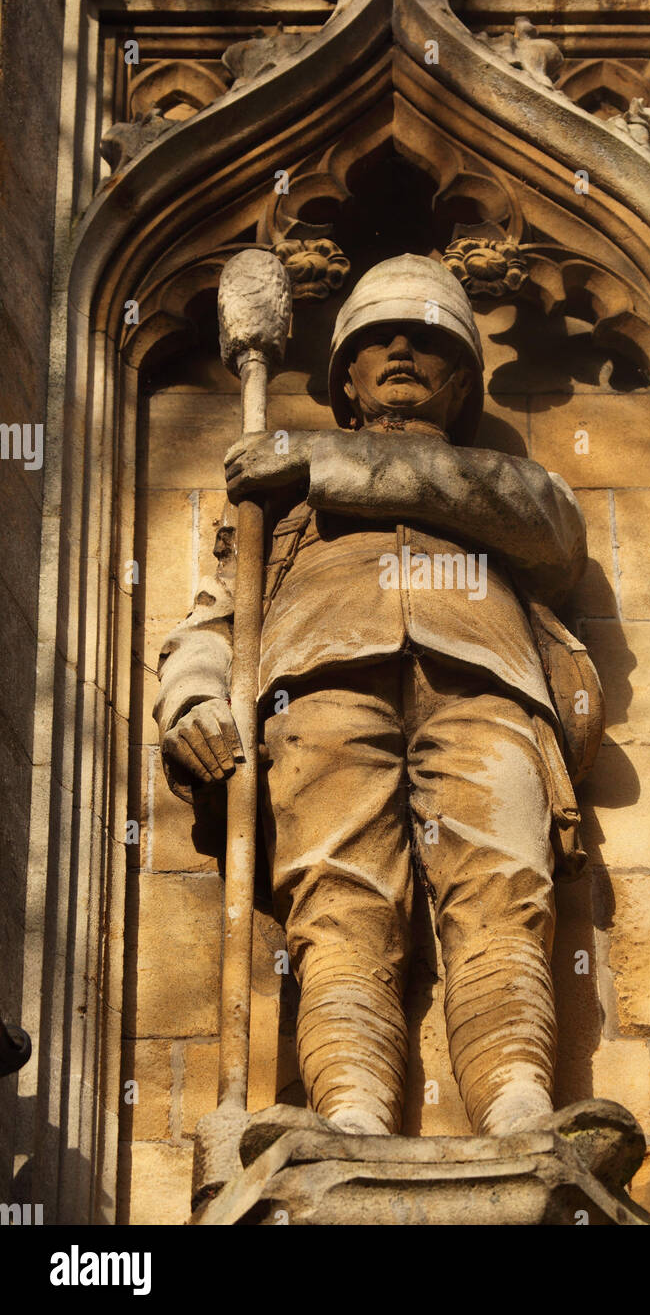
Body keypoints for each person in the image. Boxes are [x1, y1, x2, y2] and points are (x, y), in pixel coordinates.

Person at [155, 254, 601, 1138]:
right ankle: (351, 1115)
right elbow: (214, 622)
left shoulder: (496, 483)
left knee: (503, 890)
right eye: (376, 340)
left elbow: (549, 530)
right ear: (346, 379)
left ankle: (519, 1106)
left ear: (463, 377)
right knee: (339, 899)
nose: (402, 350)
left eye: (428, 339)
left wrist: (318, 463)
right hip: (317, 684)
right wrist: (192, 702)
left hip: (487, 682)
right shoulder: (275, 517)